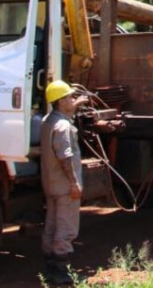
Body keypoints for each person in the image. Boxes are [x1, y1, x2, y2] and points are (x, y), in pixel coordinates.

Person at [41, 80, 87, 285]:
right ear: (60, 101)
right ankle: (61, 271)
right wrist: (74, 183)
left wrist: (75, 107)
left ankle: (50, 267)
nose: (72, 99)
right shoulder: (63, 126)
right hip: (64, 185)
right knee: (66, 226)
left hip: (50, 184)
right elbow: (65, 156)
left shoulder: (48, 121)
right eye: (69, 97)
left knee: (51, 224)